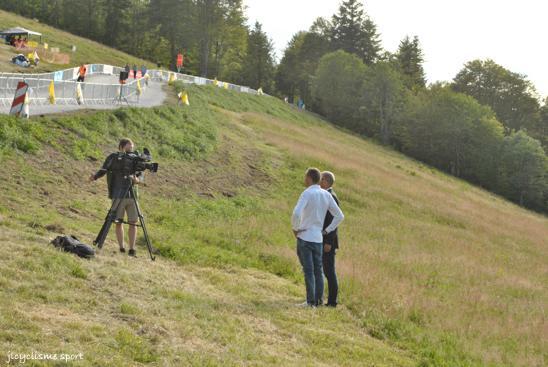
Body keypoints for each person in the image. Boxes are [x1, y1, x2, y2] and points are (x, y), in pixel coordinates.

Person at [292, 168, 344, 307]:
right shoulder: (326, 195)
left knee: (309, 270)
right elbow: (340, 216)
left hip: (305, 236)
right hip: (318, 238)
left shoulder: (307, 193)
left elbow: (296, 213)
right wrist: (326, 231)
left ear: (309, 178)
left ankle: (310, 302)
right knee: (318, 271)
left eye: (305, 177)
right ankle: (319, 300)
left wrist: (295, 229)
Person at [89, 138, 141, 257]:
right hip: (118, 194)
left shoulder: (135, 160)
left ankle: (132, 249)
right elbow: (104, 169)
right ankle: (121, 247)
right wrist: (95, 177)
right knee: (118, 221)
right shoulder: (114, 157)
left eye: (132, 147)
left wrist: (137, 180)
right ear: (122, 147)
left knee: (133, 222)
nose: (131, 149)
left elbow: (140, 176)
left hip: (132, 195)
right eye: (129, 147)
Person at [320, 171, 340, 307]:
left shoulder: (332, 197)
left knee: (329, 271)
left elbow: (334, 222)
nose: (318, 181)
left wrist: (328, 242)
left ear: (326, 181)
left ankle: (332, 302)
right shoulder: (325, 194)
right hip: (323, 238)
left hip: (328, 242)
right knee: (323, 270)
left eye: (320, 179)